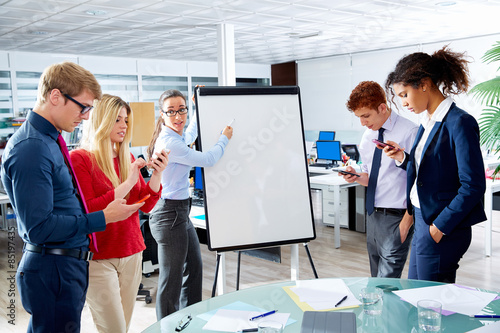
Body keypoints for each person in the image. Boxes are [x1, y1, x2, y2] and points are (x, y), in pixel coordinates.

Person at [0, 62, 142, 333]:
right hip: (53, 268)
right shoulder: (32, 148)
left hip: (66, 265)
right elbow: (39, 227)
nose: (87, 117)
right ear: (56, 97)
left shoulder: (50, 139)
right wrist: (102, 218)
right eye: (83, 107)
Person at [384, 46, 486, 283]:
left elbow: (472, 186)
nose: (404, 103)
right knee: (416, 294)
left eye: (404, 95)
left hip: (441, 224)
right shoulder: (427, 121)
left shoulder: (459, 122)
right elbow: (432, 170)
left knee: (432, 302)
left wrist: (439, 226)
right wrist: (402, 158)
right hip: (423, 219)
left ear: (424, 84)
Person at [69, 94, 168, 332]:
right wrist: (127, 183)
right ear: (101, 120)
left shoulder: (127, 157)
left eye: (126, 120)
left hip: (132, 252)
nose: (124, 125)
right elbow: (90, 209)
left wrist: (157, 174)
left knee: (122, 326)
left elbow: (145, 204)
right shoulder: (80, 159)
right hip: (98, 257)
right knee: (113, 328)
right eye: (117, 120)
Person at [147, 89, 233, 319]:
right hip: (169, 214)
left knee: (194, 269)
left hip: (179, 213)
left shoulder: (176, 137)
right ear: (162, 114)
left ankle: (189, 321)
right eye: (171, 112)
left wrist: (196, 109)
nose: (178, 116)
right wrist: (224, 138)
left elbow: (190, 133)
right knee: (171, 280)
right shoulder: (169, 143)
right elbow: (208, 159)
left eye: (182, 110)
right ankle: (167, 326)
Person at [342, 81, 418, 278]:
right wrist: (355, 175)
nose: (362, 123)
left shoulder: (410, 131)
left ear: (382, 107)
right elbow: (371, 178)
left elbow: (420, 179)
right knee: (376, 279)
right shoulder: (368, 137)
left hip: (397, 218)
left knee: (387, 282)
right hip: (373, 216)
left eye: (366, 116)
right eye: (359, 117)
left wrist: (406, 222)